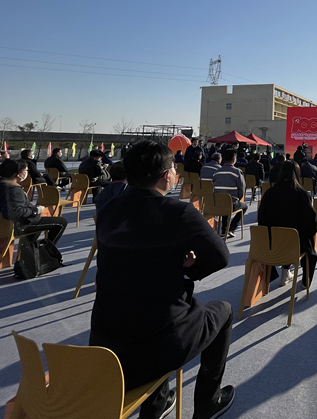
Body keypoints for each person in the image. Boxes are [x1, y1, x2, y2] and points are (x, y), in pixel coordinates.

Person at [89, 140, 234, 419]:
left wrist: (171, 260)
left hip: (105, 346)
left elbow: (136, 255)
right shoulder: (178, 212)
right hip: (156, 346)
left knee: (147, 304)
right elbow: (220, 256)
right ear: (168, 175)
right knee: (222, 311)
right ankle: (209, 402)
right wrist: (189, 268)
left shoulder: (108, 210)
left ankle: (158, 403)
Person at [0, 159, 67, 247]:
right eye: (26, 171)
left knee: (36, 223)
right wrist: (36, 210)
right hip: (9, 228)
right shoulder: (13, 190)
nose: (27, 173)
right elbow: (14, 212)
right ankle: (46, 250)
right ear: (19, 174)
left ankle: (29, 251)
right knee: (61, 222)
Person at [257, 160, 317, 287]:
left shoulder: (269, 193)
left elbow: (261, 219)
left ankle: (285, 272)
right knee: (306, 242)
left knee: (283, 232)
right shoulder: (301, 194)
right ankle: (305, 282)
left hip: (271, 243)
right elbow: (311, 221)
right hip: (296, 243)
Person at [213, 150, 249, 238]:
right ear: (234, 159)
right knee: (244, 206)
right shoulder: (237, 172)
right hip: (231, 203)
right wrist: (238, 199)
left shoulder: (217, 172)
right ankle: (231, 229)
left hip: (218, 203)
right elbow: (242, 189)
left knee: (225, 200)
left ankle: (224, 229)